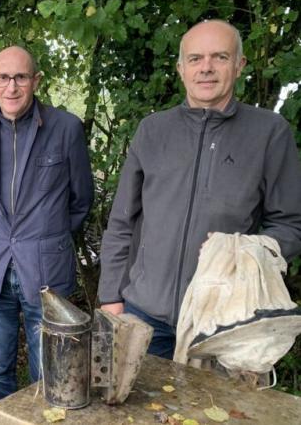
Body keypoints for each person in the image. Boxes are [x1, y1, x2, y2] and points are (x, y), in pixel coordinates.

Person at [99, 20, 301, 359]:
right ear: (181, 68)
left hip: (224, 322)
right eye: (195, 59)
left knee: (213, 413)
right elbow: (122, 222)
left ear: (239, 65)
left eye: (219, 57)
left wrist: (244, 250)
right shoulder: (153, 130)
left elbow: (292, 225)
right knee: (137, 412)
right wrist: (111, 298)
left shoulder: (269, 133)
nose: (206, 68)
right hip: (144, 314)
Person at [0, 46, 94, 402]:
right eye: (3, 78)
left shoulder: (65, 128)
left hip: (45, 270)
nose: (12, 87)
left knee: (47, 368)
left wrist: (45, 236)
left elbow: (81, 199)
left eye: (20, 77)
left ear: (35, 81)